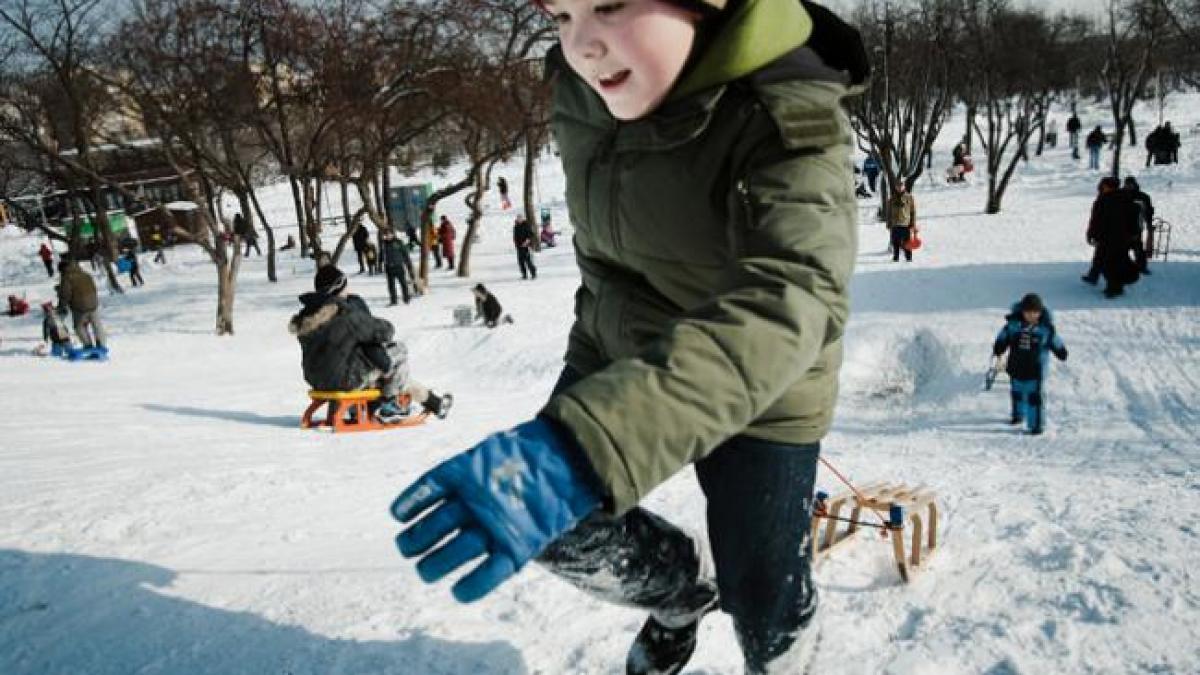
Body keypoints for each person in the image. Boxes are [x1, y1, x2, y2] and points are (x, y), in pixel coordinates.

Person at [391, 1, 867, 673]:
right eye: (560, 14)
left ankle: (785, 654)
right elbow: (606, 255)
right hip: (624, 341)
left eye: (610, 5)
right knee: (553, 519)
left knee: (761, 595)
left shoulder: (787, 107)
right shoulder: (585, 92)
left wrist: (592, 444)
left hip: (769, 388)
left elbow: (796, 294)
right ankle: (682, 596)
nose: (581, 44)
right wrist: (576, 417)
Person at [288, 265, 452, 423]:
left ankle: (434, 403)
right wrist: (362, 313)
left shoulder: (307, 317)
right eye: (346, 285)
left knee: (383, 369)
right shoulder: (345, 313)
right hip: (344, 380)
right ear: (339, 288)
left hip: (316, 380)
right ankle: (390, 404)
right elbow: (384, 331)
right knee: (398, 351)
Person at [992, 293, 1068, 436]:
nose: (1031, 316)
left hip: (1036, 369)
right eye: (1028, 312)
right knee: (1017, 393)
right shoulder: (1013, 326)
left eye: (1035, 312)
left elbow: (1055, 341)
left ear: (1040, 312)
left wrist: (1060, 351)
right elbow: (1003, 337)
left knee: (1034, 397)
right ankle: (1018, 414)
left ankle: (1036, 424)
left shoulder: (1045, 329)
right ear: (1022, 311)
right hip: (1016, 366)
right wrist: (999, 346)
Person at [1082, 177, 1139, 298]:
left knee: (1111, 263)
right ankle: (1094, 276)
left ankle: (1114, 288)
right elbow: (1134, 219)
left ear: (1108, 186)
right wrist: (1134, 234)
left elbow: (1096, 220)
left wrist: (1091, 234)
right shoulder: (1126, 198)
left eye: (1103, 185)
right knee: (1105, 259)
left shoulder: (1103, 200)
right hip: (1122, 237)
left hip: (1107, 237)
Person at [57, 261, 107, 350]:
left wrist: (61, 307)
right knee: (96, 325)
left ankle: (88, 345)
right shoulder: (85, 274)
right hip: (93, 303)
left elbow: (65, 294)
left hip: (80, 306)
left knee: (79, 326)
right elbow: (93, 288)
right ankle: (102, 344)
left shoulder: (67, 277)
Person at [1122, 176, 1154, 274]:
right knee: (1122, 246)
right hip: (1122, 225)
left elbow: (1148, 211)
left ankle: (1141, 266)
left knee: (1137, 246)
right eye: (1127, 184)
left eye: (1130, 184)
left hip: (1137, 225)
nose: (1128, 186)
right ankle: (1122, 265)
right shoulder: (1120, 195)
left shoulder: (1143, 197)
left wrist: (1149, 223)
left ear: (1134, 184)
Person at [380, 228, 416, 305]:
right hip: (389, 267)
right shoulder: (384, 244)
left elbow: (405, 254)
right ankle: (393, 300)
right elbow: (381, 254)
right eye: (385, 235)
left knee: (403, 283)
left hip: (398, 266)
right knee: (391, 285)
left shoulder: (398, 242)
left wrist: (409, 265)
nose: (387, 236)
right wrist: (380, 264)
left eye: (388, 234)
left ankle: (406, 298)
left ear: (392, 234)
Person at [888, 182, 917, 262]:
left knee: (907, 242)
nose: (900, 188)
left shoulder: (909, 197)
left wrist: (913, 223)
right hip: (895, 223)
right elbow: (889, 212)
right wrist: (889, 223)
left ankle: (908, 257)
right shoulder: (892, 198)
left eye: (901, 186)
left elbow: (913, 211)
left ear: (904, 187)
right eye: (898, 186)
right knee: (895, 241)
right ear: (896, 187)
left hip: (905, 223)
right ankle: (896, 257)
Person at [512, 214, 538, 279]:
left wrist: (527, 241)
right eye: (518, 219)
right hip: (519, 247)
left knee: (528, 261)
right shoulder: (516, 226)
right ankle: (524, 275)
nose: (519, 220)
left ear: (523, 219)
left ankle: (533, 273)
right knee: (521, 262)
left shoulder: (526, 225)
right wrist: (516, 244)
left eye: (520, 218)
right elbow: (515, 236)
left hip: (526, 246)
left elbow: (531, 234)